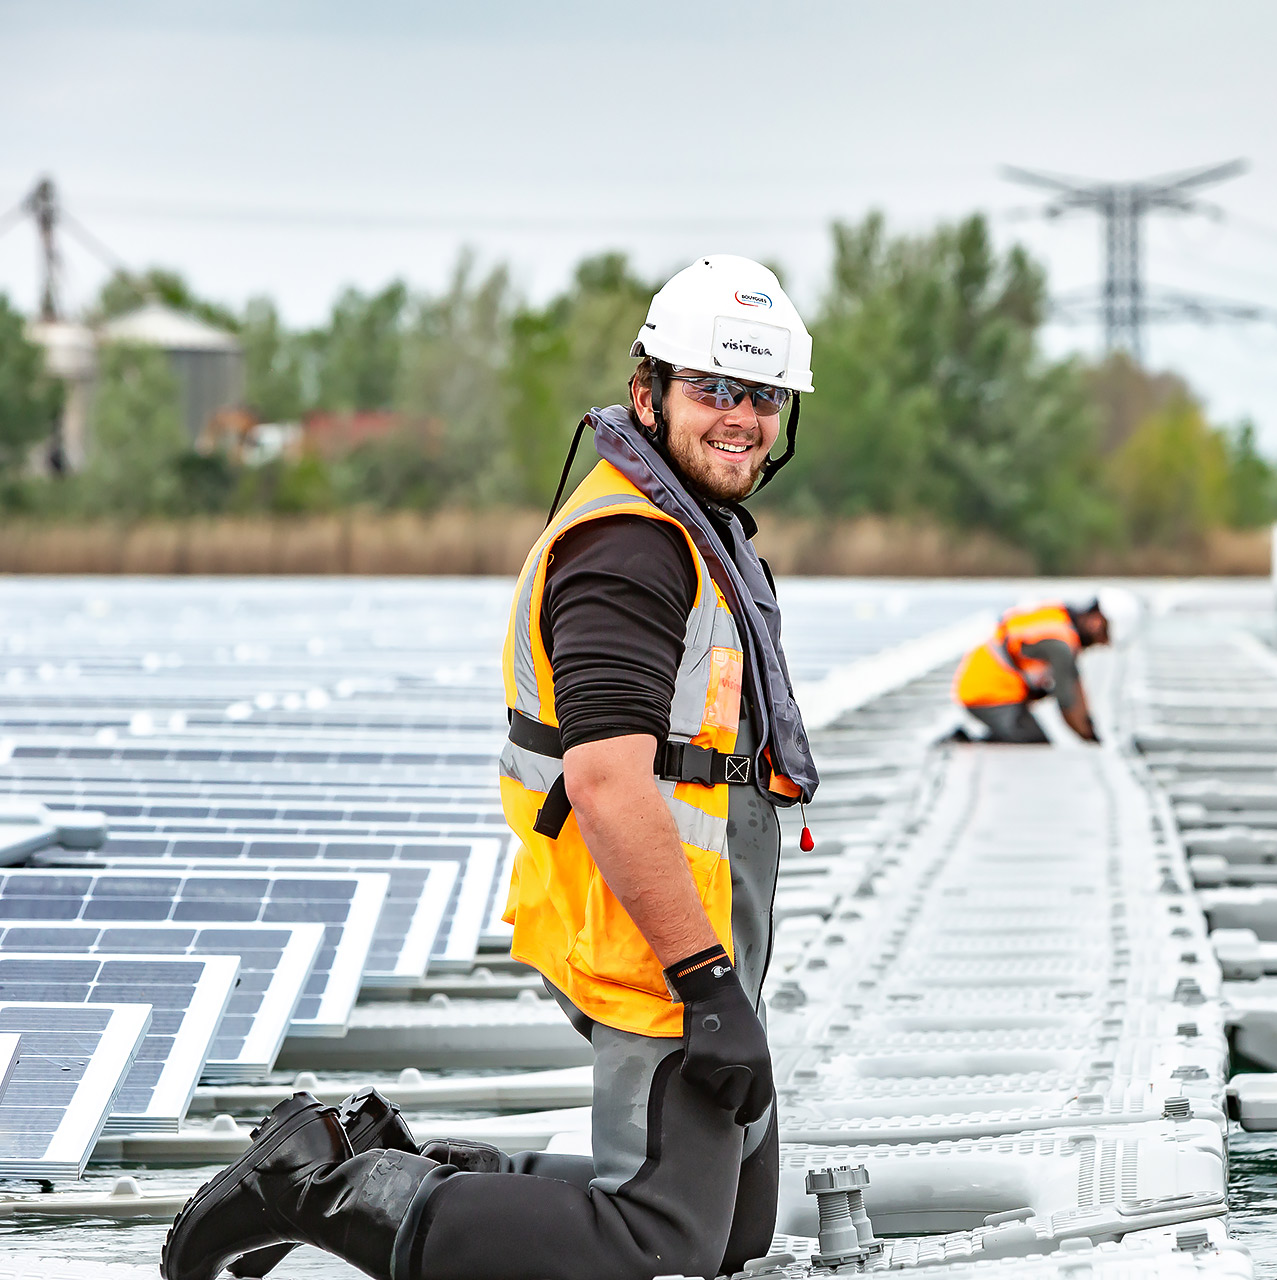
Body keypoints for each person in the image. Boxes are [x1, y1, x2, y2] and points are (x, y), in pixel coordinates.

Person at [163, 256, 820, 1280]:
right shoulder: (631, 549)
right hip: (653, 934)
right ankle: (313, 1189)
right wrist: (705, 983)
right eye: (714, 388)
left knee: (734, 1230)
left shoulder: (690, 533)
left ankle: (394, 1161)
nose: (742, 417)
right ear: (649, 393)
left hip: (704, 925)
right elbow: (606, 781)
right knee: (665, 1245)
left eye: (765, 396)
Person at [952, 600, 1109, 744]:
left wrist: (1087, 726)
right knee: (1032, 741)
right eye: (1105, 636)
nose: (1103, 643)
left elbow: (1072, 684)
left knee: (1031, 737)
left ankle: (976, 739)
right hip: (987, 691)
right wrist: (1089, 736)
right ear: (1096, 621)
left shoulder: (1058, 622)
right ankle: (966, 743)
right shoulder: (1061, 642)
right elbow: (1067, 698)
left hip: (992, 687)